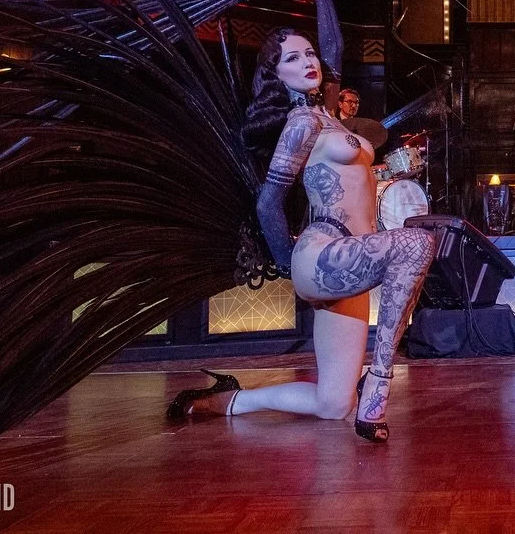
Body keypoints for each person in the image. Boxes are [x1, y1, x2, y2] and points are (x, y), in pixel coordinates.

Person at [166, 28, 437, 443]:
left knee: (332, 404)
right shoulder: (300, 123)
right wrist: (285, 263)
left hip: (351, 262)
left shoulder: (328, 115)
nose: (308, 62)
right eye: (292, 59)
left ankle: (219, 401)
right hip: (324, 251)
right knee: (417, 241)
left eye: (308, 54)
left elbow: (334, 49)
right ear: (276, 76)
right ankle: (379, 381)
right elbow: (268, 202)